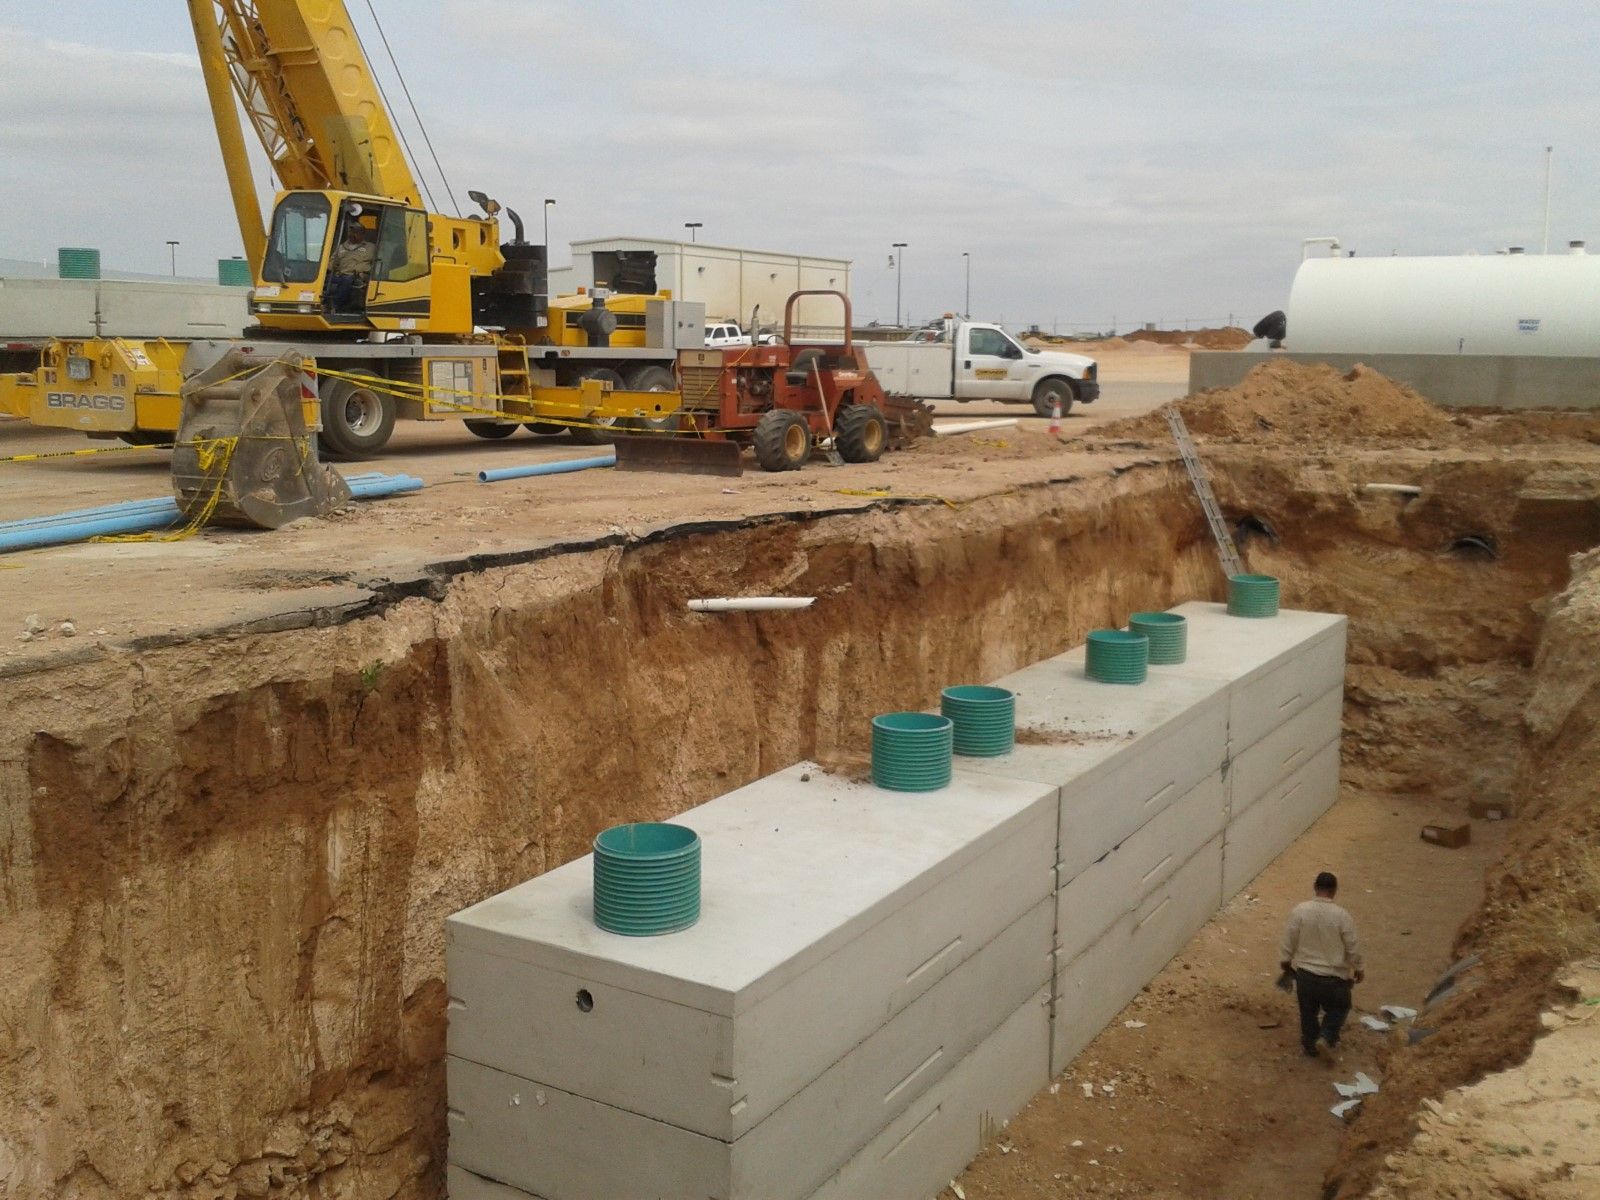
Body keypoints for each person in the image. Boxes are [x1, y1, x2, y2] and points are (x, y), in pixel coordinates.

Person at [1279, 871, 1364, 1058]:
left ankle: (1310, 1044)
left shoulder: (1300, 911)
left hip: (1306, 976)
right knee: (1340, 1007)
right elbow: (1352, 945)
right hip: (1334, 979)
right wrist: (1358, 968)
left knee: (1308, 1011)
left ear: (1315, 888)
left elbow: (1289, 939)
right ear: (1334, 891)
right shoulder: (1342, 916)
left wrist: (1286, 962)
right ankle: (1326, 1036)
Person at [325, 224, 376, 313]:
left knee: (347, 279)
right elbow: (332, 262)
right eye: (352, 232)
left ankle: (336, 305)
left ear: (362, 234)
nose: (353, 235)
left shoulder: (371, 247)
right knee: (323, 280)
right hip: (339, 275)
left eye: (356, 232)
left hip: (358, 276)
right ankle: (322, 303)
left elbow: (378, 262)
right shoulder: (341, 247)